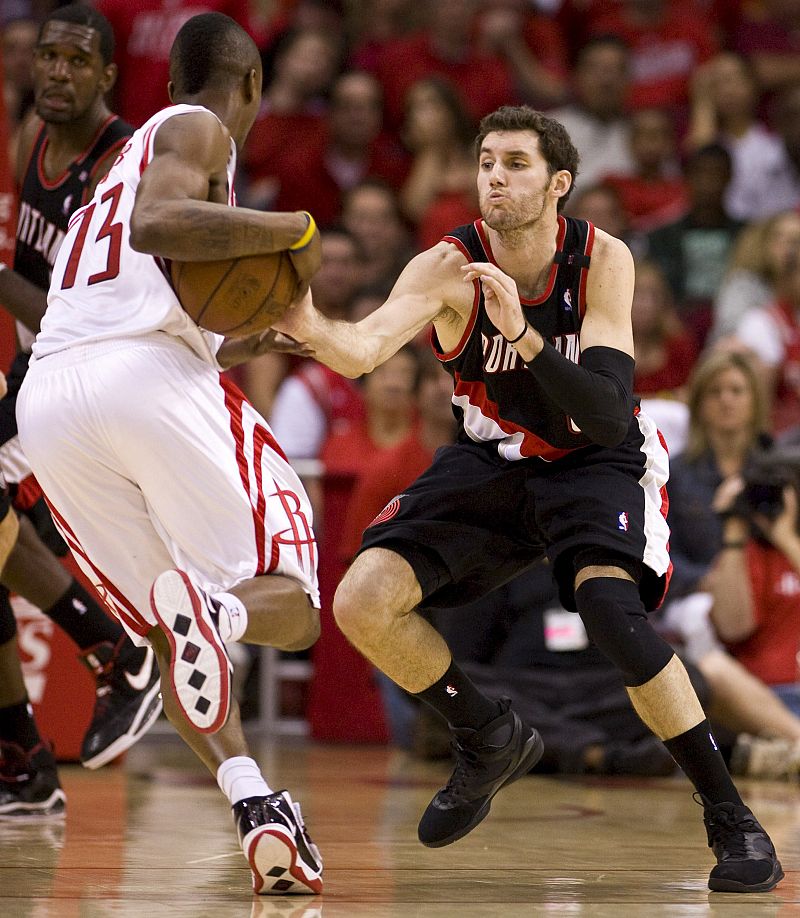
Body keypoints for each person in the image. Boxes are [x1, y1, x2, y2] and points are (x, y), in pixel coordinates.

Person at [275, 104, 783, 892]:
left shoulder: (603, 258)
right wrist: (306, 321)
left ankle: (730, 817)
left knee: (613, 616)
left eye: (515, 163)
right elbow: (364, 349)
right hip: (493, 459)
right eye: (486, 163)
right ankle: (486, 734)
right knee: (361, 601)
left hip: (597, 461)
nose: (495, 178)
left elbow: (609, 410)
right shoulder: (447, 266)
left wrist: (526, 336)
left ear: (559, 184)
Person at [16, 12, 323, 895]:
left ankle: (256, 804)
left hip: (54, 403)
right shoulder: (200, 130)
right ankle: (222, 615)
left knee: (164, 614)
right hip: (140, 381)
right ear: (253, 84)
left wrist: (247, 340)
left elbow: (138, 287)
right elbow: (158, 227)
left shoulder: (114, 169)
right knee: (293, 601)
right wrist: (293, 230)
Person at [0, 2, 163, 820]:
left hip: (93, 379)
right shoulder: (36, 134)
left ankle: (120, 654)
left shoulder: (117, 163)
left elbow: (75, 307)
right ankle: (24, 761)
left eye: (77, 61)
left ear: (106, 74)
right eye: (48, 56)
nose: (58, 72)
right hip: (39, 372)